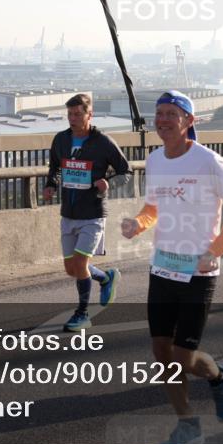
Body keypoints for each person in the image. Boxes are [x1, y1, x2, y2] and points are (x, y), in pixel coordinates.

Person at [120, 90, 223, 444]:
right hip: (163, 266)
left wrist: (217, 250)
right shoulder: (155, 159)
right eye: (158, 114)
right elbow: (153, 207)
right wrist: (139, 224)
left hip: (198, 270)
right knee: (161, 351)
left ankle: (219, 375)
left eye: (171, 114)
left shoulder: (209, 161)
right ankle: (187, 425)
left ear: (189, 121)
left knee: (183, 356)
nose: (162, 120)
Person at [43, 94, 131, 332]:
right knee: (71, 269)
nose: (72, 118)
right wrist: (51, 184)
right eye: (69, 114)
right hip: (69, 212)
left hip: (93, 213)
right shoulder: (61, 139)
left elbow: (126, 171)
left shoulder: (103, 142)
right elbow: (55, 167)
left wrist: (109, 182)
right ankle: (105, 278)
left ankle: (82, 314)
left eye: (77, 114)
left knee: (81, 263)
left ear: (89, 115)